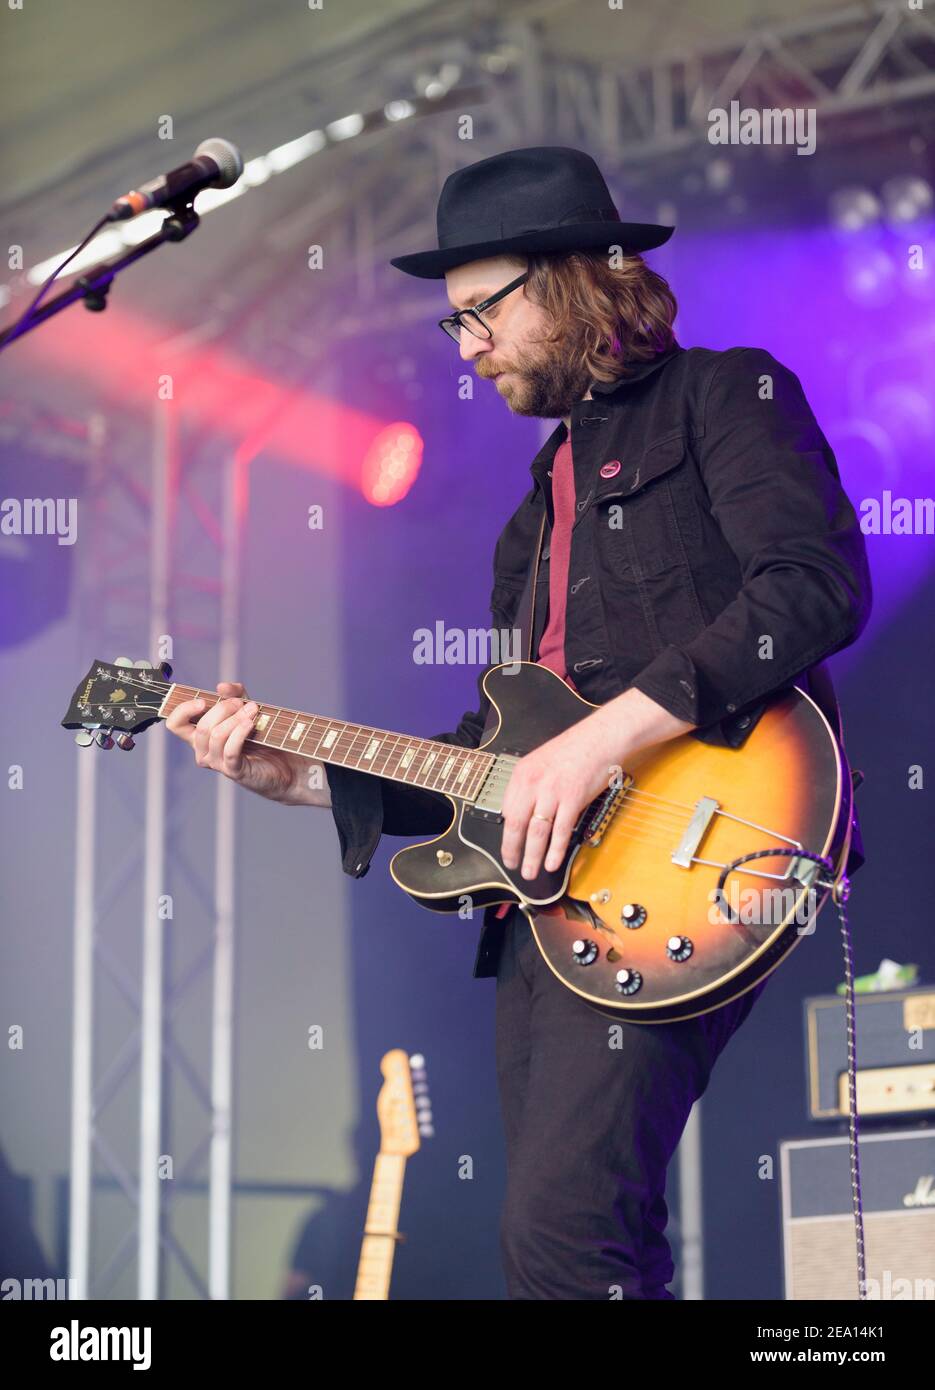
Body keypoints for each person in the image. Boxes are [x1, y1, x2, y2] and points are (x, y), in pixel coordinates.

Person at [166, 147, 871, 1299]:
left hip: (698, 849)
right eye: (451, 327)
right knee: (586, 1250)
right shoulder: (527, 522)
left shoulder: (722, 396)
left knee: (558, 1242)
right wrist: (297, 776)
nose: (466, 347)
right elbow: (494, 763)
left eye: (478, 312)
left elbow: (813, 583)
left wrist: (601, 741)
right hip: (548, 902)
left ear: (573, 281)